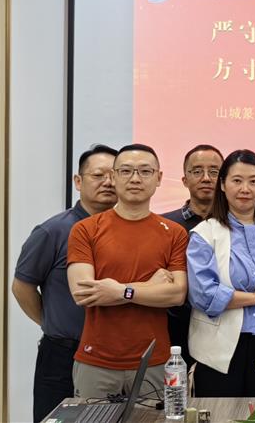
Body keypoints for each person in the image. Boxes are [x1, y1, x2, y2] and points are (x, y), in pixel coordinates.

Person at [67, 143, 189, 399]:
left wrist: (121, 290)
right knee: (92, 418)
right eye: (126, 171)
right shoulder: (85, 229)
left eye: (145, 171)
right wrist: (151, 287)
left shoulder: (174, 233)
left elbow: (177, 295)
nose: (135, 178)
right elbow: (84, 293)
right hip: (96, 360)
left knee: (155, 419)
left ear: (159, 178)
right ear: (113, 177)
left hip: (154, 361)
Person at [12, 144, 117, 422]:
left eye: (114, 175)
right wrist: (51, 323)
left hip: (115, 355)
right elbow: (22, 287)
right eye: (98, 175)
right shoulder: (53, 230)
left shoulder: (128, 232)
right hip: (63, 354)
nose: (108, 182)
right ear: (78, 181)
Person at [187, 149, 255, 397]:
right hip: (219, 350)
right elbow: (203, 294)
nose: (245, 189)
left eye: (253, 181)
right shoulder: (205, 233)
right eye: (237, 180)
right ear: (223, 185)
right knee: (219, 412)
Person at [161, 144, 224, 369]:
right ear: (184, 180)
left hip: (222, 328)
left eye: (214, 172)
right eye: (197, 171)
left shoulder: (236, 226)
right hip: (173, 328)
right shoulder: (164, 225)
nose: (206, 178)